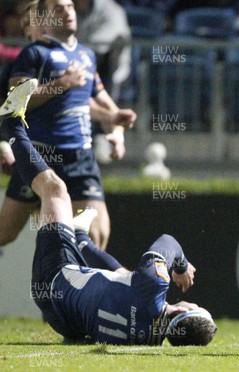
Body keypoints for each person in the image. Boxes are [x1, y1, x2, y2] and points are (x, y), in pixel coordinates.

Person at [0, 78, 217, 346]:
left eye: (194, 304)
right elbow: (124, 284)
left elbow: (168, 241)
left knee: (55, 189)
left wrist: (181, 265)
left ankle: (10, 121)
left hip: (55, 276)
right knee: (125, 279)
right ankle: (81, 239)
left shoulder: (154, 285)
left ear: (183, 311)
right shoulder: (150, 341)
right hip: (62, 320)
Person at [0, 0, 137, 251]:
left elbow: (101, 106)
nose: (67, 12)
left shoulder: (86, 55)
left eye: (70, 7)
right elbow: (13, 103)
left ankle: (77, 286)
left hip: (80, 156)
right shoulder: (34, 55)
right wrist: (62, 83)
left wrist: (116, 130)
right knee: (5, 232)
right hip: (39, 156)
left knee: (97, 236)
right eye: (58, 9)